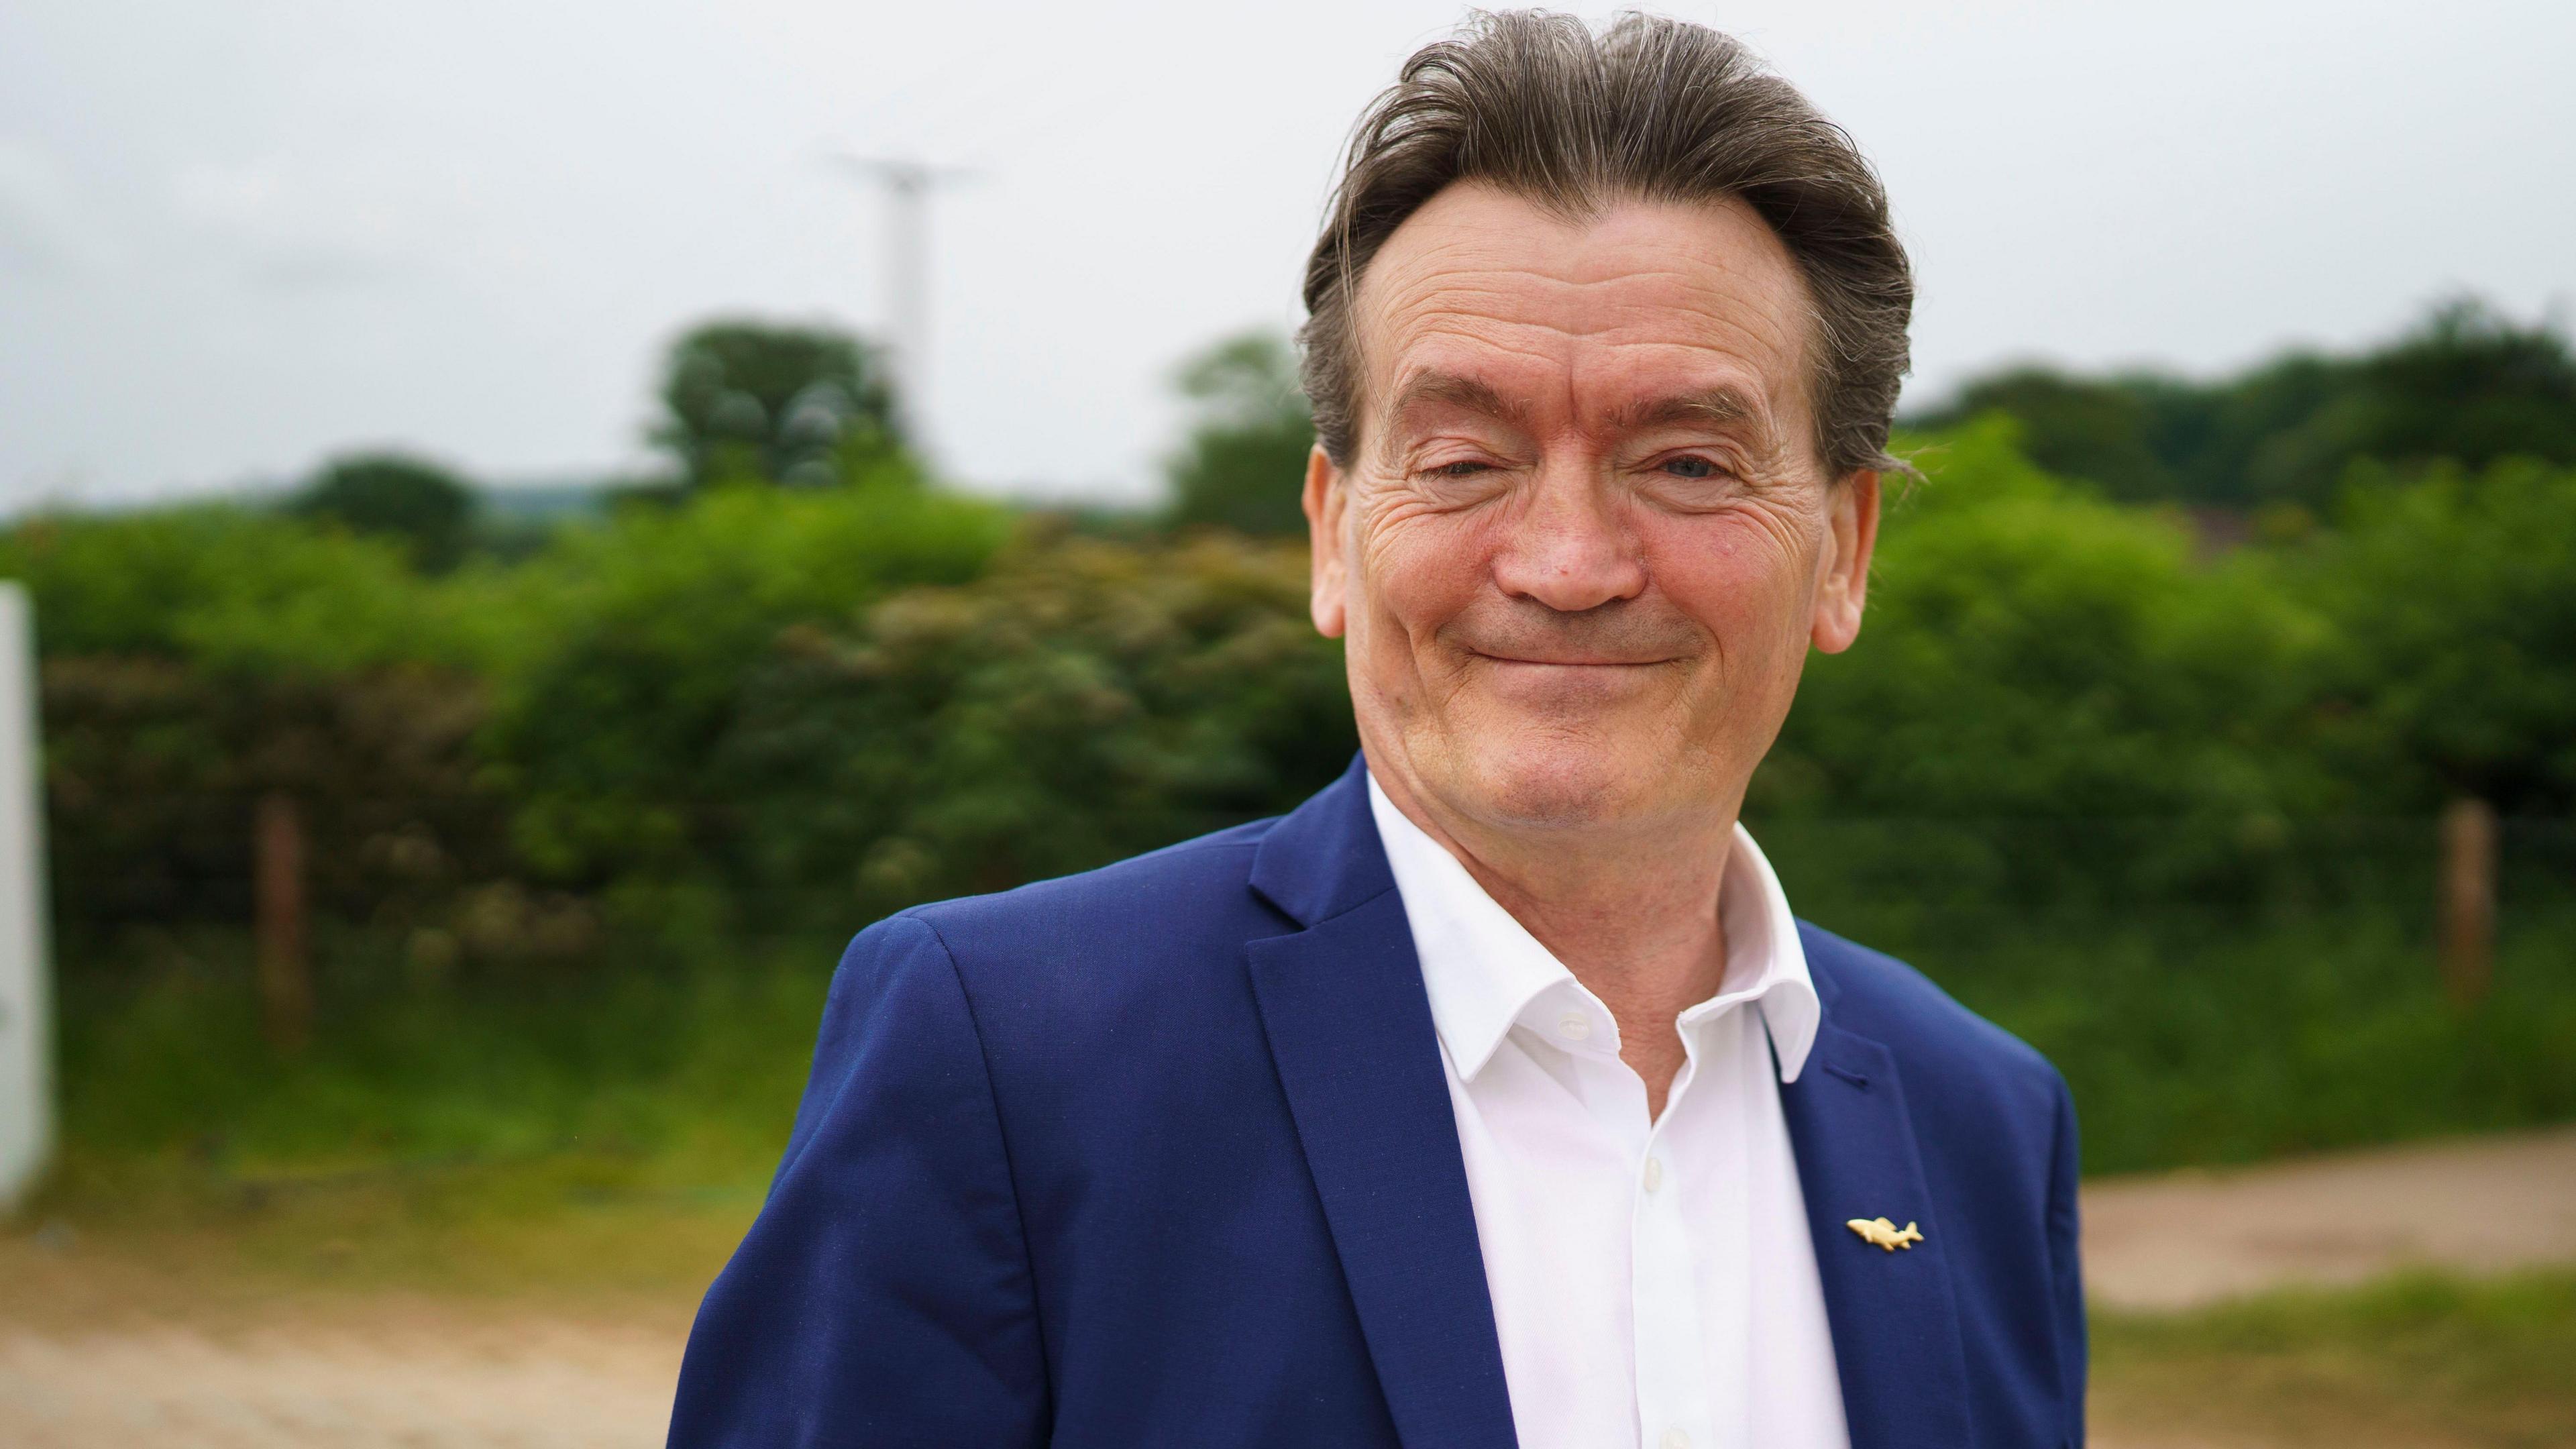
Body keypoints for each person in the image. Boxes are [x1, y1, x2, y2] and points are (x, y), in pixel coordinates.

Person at [667, 11, 2084, 1448]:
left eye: (1689, 461)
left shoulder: (1982, 1119)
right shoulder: (1004, 1055)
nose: (1568, 563)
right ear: (1335, 532)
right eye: (1466, 460)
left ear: (1843, 552)